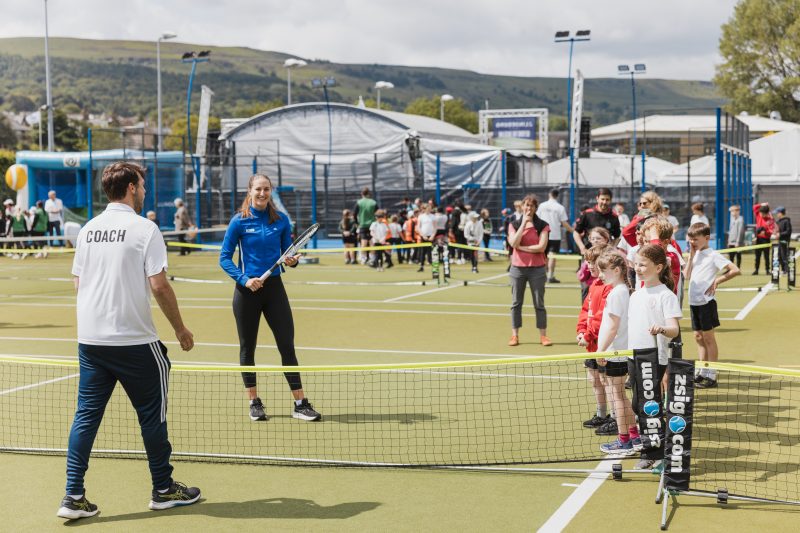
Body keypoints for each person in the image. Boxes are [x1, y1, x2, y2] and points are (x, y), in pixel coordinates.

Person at [59, 162, 200, 520]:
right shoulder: (144, 228)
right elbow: (159, 285)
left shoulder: (88, 230)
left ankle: (73, 496)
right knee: (152, 418)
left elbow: (78, 283)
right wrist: (181, 330)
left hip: (91, 342)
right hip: (135, 343)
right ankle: (164, 489)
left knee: (85, 418)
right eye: (143, 184)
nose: (146, 190)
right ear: (132, 188)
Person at [219, 174, 321, 423]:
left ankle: (300, 403)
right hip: (247, 292)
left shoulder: (281, 220)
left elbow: (288, 253)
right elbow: (224, 258)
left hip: (275, 289)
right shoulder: (238, 222)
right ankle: (254, 402)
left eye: (266, 189)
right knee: (248, 348)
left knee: (287, 346)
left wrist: (292, 261)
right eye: (258, 189)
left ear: (270, 191)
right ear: (250, 191)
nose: (262, 193)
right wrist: (244, 279)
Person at [628, 244, 682, 470]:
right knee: (637, 404)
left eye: (643, 265)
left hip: (653, 357)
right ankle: (651, 446)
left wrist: (661, 329)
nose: (637, 268)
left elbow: (674, 329)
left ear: (658, 267)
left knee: (649, 406)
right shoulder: (637, 294)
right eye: (636, 264)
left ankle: (655, 453)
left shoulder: (665, 295)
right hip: (634, 356)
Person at [684, 222, 741, 389]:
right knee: (698, 338)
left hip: (706, 303)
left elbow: (735, 270)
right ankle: (702, 371)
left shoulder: (713, 255)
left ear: (707, 238)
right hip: (693, 302)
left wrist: (717, 280)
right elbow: (686, 275)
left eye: (695, 239)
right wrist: (691, 256)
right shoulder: (694, 254)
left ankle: (712, 375)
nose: (692, 242)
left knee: (709, 339)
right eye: (690, 239)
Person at [595, 251, 639, 455]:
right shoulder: (621, 291)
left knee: (617, 396)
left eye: (603, 271)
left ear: (617, 270)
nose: (600, 275)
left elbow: (612, 326)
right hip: (621, 351)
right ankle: (634, 436)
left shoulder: (617, 293)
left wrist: (601, 350)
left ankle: (624, 441)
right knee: (621, 395)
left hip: (616, 352)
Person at [577, 245, 615, 434]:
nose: (589, 265)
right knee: (594, 379)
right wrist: (582, 330)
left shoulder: (610, 287)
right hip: (591, 345)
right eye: (588, 261)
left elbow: (602, 318)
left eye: (592, 262)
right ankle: (602, 414)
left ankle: (616, 417)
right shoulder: (593, 285)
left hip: (604, 344)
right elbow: (587, 311)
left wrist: (589, 334)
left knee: (607, 380)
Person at [507, 194, 552, 347]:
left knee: (539, 303)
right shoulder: (514, 224)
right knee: (516, 303)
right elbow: (513, 242)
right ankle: (515, 335)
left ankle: (543, 336)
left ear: (535, 208)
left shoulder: (543, 225)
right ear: (522, 206)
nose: (528, 208)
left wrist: (522, 248)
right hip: (517, 270)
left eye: (531, 205)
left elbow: (541, 247)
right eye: (526, 205)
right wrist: (523, 224)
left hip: (537, 270)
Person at [537, 188, 573, 283]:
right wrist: (573, 230)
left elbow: (537, 219)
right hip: (555, 234)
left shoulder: (542, 206)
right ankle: (550, 276)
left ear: (549, 194)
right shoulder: (560, 207)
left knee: (543, 255)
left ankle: (542, 276)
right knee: (552, 255)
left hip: (543, 234)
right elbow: (564, 222)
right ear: (557, 196)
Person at [574, 188, 620, 257]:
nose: (604, 202)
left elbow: (617, 236)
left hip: (605, 255)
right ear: (597, 199)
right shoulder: (587, 214)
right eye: (602, 199)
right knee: (586, 268)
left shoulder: (614, 217)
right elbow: (576, 232)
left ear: (610, 200)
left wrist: (612, 248)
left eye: (607, 200)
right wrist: (582, 247)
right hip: (589, 253)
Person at [354, 187, 378, 264]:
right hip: (373, 225)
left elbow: (354, 214)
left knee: (363, 243)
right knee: (372, 243)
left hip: (363, 225)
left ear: (362, 194)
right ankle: (372, 258)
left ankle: (363, 258)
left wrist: (357, 223)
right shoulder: (373, 202)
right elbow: (378, 213)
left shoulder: (359, 202)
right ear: (369, 194)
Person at [753, 202, 776, 275]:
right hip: (758, 238)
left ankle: (767, 270)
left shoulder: (770, 219)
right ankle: (756, 270)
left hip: (766, 239)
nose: (761, 215)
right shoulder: (758, 215)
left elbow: (771, 230)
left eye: (763, 214)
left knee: (766, 256)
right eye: (760, 213)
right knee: (757, 255)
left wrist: (765, 232)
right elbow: (754, 207)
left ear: (767, 213)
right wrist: (762, 204)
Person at [416, 204, 435, 272]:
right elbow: (418, 227)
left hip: (431, 236)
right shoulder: (421, 216)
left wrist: (433, 235)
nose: (429, 209)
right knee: (422, 252)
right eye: (428, 208)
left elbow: (435, 227)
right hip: (423, 236)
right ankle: (421, 266)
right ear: (424, 209)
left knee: (432, 251)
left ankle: (434, 268)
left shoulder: (433, 216)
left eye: (430, 208)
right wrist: (423, 235)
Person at [774, 206, 793, 274]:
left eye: (777, 213)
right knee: (779, 256)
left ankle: (786, 270)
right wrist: (776, 233)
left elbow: (788, 231)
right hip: (780, 241)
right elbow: (777, 230)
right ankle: (783, 269)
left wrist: (780, 234)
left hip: (785, 241)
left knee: (784, 255)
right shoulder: (778, 221)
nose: (776, 214)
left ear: (781, 213)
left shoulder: (786, 221)